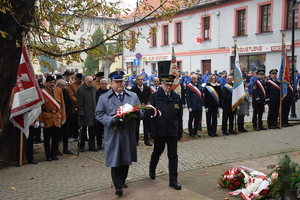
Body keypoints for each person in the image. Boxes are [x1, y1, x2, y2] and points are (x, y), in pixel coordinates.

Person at [95, 71, 142, 196]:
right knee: (115, 159)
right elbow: (98, 114)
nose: (119, 84)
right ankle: (118, 185)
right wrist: (111, 120)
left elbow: (141, 111)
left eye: (121, 81)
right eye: (117, 82)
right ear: (111, 83)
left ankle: (122, 181)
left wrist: (138, 113)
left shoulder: (132, 96)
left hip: (127, 131)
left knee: (126, 159)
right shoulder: (104, 98)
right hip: (114, 132)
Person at [146, 74, 183, 190]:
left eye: (170, 85)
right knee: (157, 152)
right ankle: (152, 169)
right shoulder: (154, 97)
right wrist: (152, 131)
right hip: (159, 131)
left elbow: (179, 116)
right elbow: (148, 116)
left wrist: (180, 130)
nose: (168, 87)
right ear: (161, 84)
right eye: (166, 85)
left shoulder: (176, 97)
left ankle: (173, 180)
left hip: (172, 131)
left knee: (173, 156)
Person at [39, 75, 66, 161]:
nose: (52, 84)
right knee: (47, 138)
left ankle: (54, 154)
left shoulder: (59, 91)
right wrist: (40, 120)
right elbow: (39, 107)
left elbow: (62, 105)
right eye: (50, 82)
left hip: (57, 117)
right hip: (47, 117)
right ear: (46, 83)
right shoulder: (42, 92)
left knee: (56, 137)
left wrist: (63, 118)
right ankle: (48, 155)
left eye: (53, 82)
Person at [76, 76, 98, 152]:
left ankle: (91, 145)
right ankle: (81, 146)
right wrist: (81, 112)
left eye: (91, 82)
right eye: (89, 82)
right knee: (83, 131)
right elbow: (79, 102)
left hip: (93, 112)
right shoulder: (80, 89)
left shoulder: (94, 88)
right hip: (85, 113)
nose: (90, 83)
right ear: (85, 81)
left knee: (92, 131)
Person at [130, 75, 152, 146]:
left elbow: (150, 98)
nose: (140, 81)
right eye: (138, 79)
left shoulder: (147, 88)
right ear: (136, 81)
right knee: (136, 126)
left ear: (143, 80)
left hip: (146, 109)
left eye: (141, 79)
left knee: (146, 126)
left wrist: (147, 106)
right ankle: (136, 140)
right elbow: (132, 100)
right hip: (137, 109)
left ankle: (146, 140)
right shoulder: (133, 89)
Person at [56, 80, 73, 154]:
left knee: (66, 133)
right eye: (62, 86)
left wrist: (68, 113)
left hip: (66, 115)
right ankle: (56, 149)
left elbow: (69, 103)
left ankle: (65, 148)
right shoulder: (56, 92)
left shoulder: (66, 92)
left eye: (65, 85)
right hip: (57, 116)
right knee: (57, 134)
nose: (64, 87)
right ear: (58, 85)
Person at [67, 73, 82, 140]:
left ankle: (83, 135)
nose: (80, 80)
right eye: (78, 79)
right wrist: (77, 102)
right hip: (75, 106)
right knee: (75, 121)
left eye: (80, 79)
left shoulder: (83, 85)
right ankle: (75, 135)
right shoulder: (71, 85)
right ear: (76, 78)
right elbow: (71, 95)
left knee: (82, 121)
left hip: (83, 106)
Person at [95, 78, 109, 150]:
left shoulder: (109, 92)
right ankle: (99, 144)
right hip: (100, 113)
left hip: (108, 113)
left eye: (105, 84)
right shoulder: (97, 93)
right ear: (100, 84)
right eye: (102, 84)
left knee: (108, 130)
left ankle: (107, 143)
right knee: (99, 130)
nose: (104, 85)